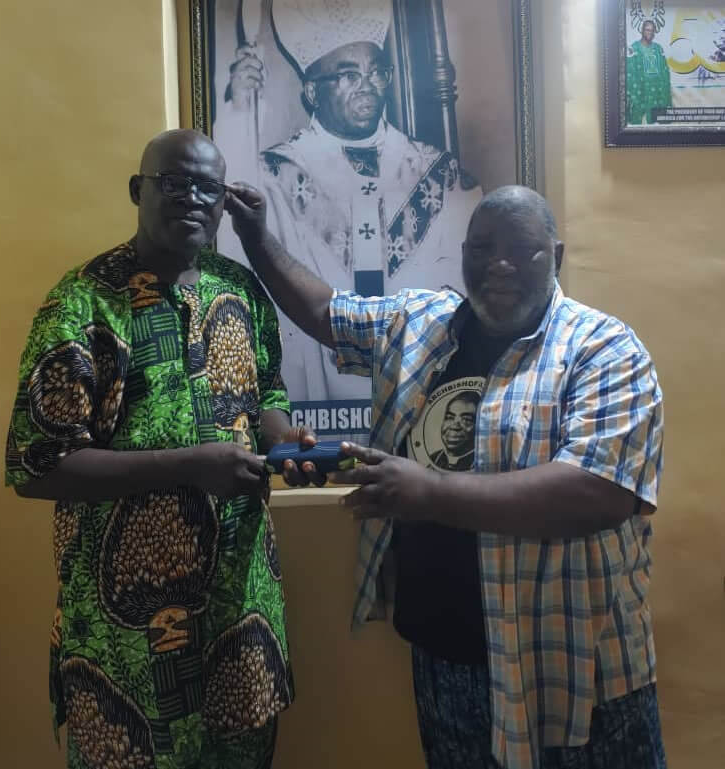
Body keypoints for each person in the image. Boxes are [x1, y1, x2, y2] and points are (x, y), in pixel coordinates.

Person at [224, 182, 666, 769]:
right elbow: (324, 312)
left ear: (556, 256)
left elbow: (599, 492)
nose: (499, 264)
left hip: (572, 665)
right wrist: (255, 235)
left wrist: (428, 492)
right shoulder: (421, 323)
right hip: (446, 661)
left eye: (521, 249)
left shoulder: (603, 349)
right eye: (482, 248)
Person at [4, 129, 318, 769]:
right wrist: (191, 466)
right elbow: (38, 466)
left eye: (208, 187)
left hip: (238, 615)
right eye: (174, 182)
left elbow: (267, 393)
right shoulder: (82, 302)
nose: (193, 198)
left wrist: (284, 439)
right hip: (124, 643)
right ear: (137, 190)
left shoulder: (239, 288)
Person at [220, 0, 482, 402]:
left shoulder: (435, 171)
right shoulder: (275, 174)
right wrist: (239, 109)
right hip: (315, 384)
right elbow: (231, 243)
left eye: (376, 72)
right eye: (348, 75)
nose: (367, 84)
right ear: (312, 91)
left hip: (416, 379)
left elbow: (462, 285)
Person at [627, 19, 672, 125]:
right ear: (642, 30)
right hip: (641, 90)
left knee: (658, 123)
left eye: (652, 30)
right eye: (647, 30)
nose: (650, 33)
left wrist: (664, 88)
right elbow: (630, 73)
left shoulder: (658, 48)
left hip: (657, 91)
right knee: (639, 124)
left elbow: (665, 71)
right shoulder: (634, 48)